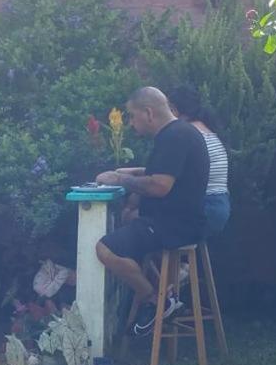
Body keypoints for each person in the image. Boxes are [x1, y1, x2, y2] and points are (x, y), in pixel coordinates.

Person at [94, 86, 208, 336]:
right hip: (182, 222)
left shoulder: (174, 137)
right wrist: (132, 172)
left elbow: (160, 186)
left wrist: (119, 180)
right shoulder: (180, 132)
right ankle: (165, 295)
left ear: (148, 113)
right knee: (128, 224)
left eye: (132, 116)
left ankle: (156, 301)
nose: (131, 123)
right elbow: (163, 171)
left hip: (172, 225)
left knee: (105, 249)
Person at [167, 86, 230, 238]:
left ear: (173, 109)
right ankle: (182, 255)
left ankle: (173, 256)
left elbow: (168, 177)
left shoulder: (185, 133)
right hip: (220, 206)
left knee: (138, 216)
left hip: (203, 208)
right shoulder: (208, 130)